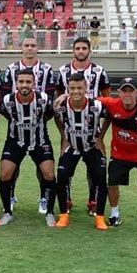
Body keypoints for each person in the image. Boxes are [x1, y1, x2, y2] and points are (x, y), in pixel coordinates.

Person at [56, 37, 110, 214]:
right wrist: (63, 135)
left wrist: (101, 135)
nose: (80, 51)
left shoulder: (99, 71)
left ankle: (93, 202)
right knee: (66, 169)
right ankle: (67, 200)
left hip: (92, 123)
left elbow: (107, 99)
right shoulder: (63, 71)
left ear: (89, 50)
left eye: (84, 48)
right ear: (73, 51)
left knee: (94, 169)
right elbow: (57, 102)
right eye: (77, 48)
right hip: (70, 124)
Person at [2, 37, 56, 213]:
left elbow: (50, 107)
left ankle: (44, 199)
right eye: (26, 45)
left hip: (38, 131)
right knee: (10, 169)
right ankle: (10, 197)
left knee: (46, 171)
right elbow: (3, 105)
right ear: (21, 48)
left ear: (37, 48)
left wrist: (36, 120)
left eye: (33, 45)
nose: (30, 48)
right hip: (15, 131)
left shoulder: (47, 70)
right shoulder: (11, 69)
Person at [0, 69, 57, 227]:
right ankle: (7, 212)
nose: (24, 85)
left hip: (39, 141)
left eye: (28, 82)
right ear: (16, 83)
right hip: (15, 141)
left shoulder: (44, 99)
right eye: (21, 82)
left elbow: (50, 114)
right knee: (5, 174)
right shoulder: (7, 100)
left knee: (49, 174)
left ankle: (50, 212)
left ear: (34, 83)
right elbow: (5, 115)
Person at [98, 78, 137, 231]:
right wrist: (65, 97)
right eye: (124, 90)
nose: (127, 94)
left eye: (131, 91)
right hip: (119, 154)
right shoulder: (112, 104)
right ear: (119, 93)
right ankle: (114, 214)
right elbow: (89, 98)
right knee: (111, 182)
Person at [53, 74, 108, 230]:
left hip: (92, 146)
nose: (76, 91)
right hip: (73, 146)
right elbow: (56, 117)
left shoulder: (96, 105)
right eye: (72, 88)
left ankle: (100, 217)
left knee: (101, 179)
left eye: (79, 88)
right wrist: (64, 137)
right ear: (68, 89)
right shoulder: (62, 105)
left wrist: (101, 137)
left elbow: (108, 117)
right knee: (62, 177)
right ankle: (63, 215)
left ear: (86, 88)